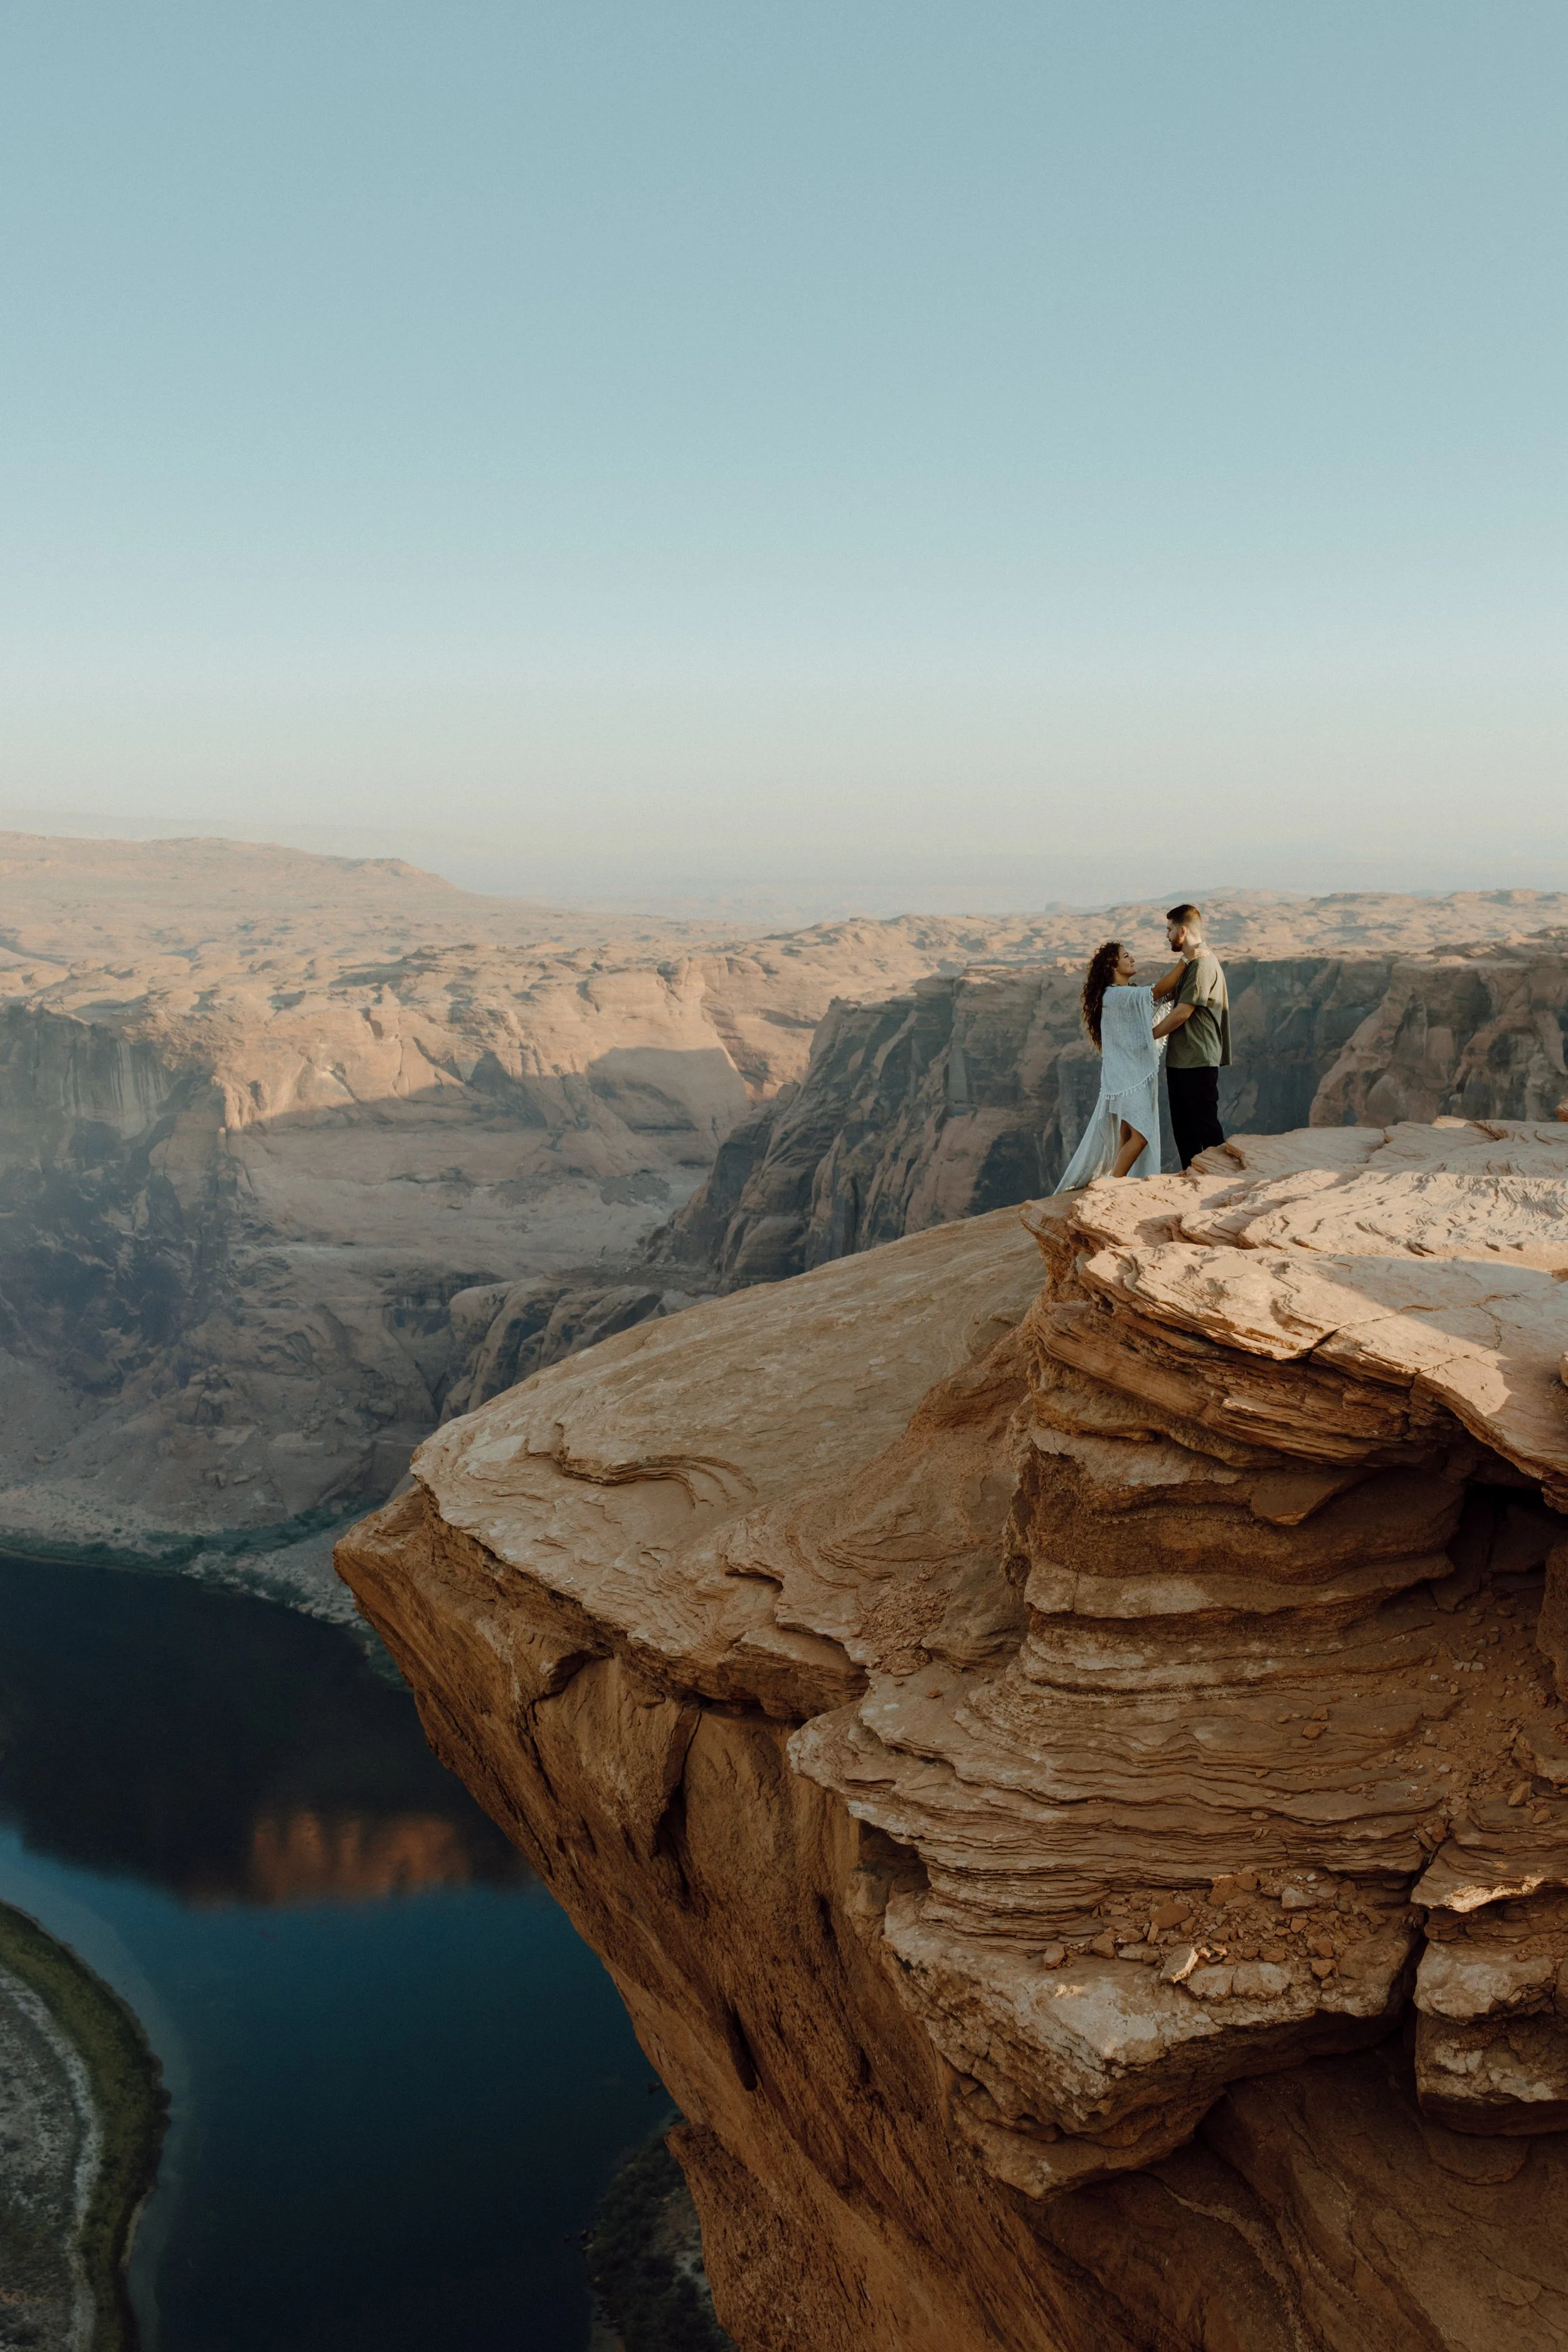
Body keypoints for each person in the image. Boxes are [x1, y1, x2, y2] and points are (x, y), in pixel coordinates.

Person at [1054, 940, 1165, 1189]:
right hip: (1126, 1081)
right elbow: (1156, 993)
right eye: (1127, 956)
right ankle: (1112, 1183)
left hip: (1124, 1078)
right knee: (1141, 1136)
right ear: (1112, 964)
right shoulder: (1116, 996)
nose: (1132, 959)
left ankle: (1118, 1181)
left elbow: (1150, 1013)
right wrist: (1188, 961)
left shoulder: (1120, 996)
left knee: (1127, 1135)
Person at [1152, 900, 1231, 1167]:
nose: (1167, 936)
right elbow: (1164, 994)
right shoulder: (1191, 962)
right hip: (1184, 1059)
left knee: (1205, 1128)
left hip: (1196, 1059)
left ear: (1182, 931)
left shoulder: (1202, 964)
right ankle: (1195, 1182)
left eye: (1169, 930)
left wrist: (1147, 1037)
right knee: (1184, 1129)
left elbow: (1182, 1012)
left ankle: (1224, 1181)